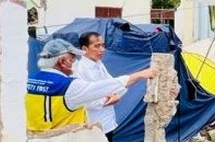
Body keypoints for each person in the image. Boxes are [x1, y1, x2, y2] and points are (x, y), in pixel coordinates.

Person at [25, 39, 156, 132]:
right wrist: (141, 74)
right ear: (62, 62)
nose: (74, 63)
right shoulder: (68, 87)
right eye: (72, 59)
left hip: (35, 141)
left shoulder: (29, 81)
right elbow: (108, 86)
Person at [73, 32, 121, 142]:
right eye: (97, 46)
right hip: (93, 123)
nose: (102, 50)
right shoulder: (79, 70)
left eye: (103, 46)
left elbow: (113, 85)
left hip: (108, 121)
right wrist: (108, 99)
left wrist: (114, 94)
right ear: (84, 49)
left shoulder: (99, 64)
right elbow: (86, 100)